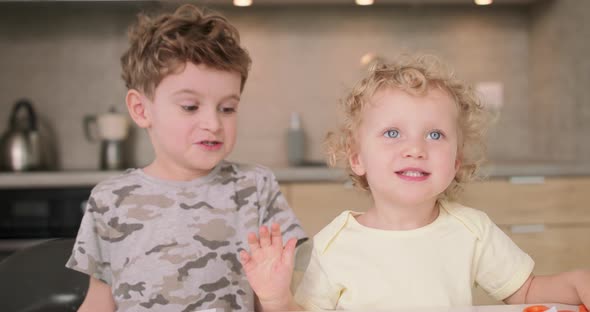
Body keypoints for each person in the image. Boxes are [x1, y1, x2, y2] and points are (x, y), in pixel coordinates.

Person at [239, 55, 590, 311]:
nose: (415, 149)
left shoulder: (472, 231)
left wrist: (576, 281)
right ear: (357, 158)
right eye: (393, 132)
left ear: (455, 162)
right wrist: (276, 299)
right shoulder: (334, 246)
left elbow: (526, 292)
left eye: (435, 134)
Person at [66, 4, 307, 312]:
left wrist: (279, 299)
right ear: (141, 110)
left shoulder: (255, 189)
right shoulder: (110, 200)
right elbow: (98, 304)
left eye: (227, 108)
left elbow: (278, 302)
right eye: (191, 107)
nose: (214, 123)